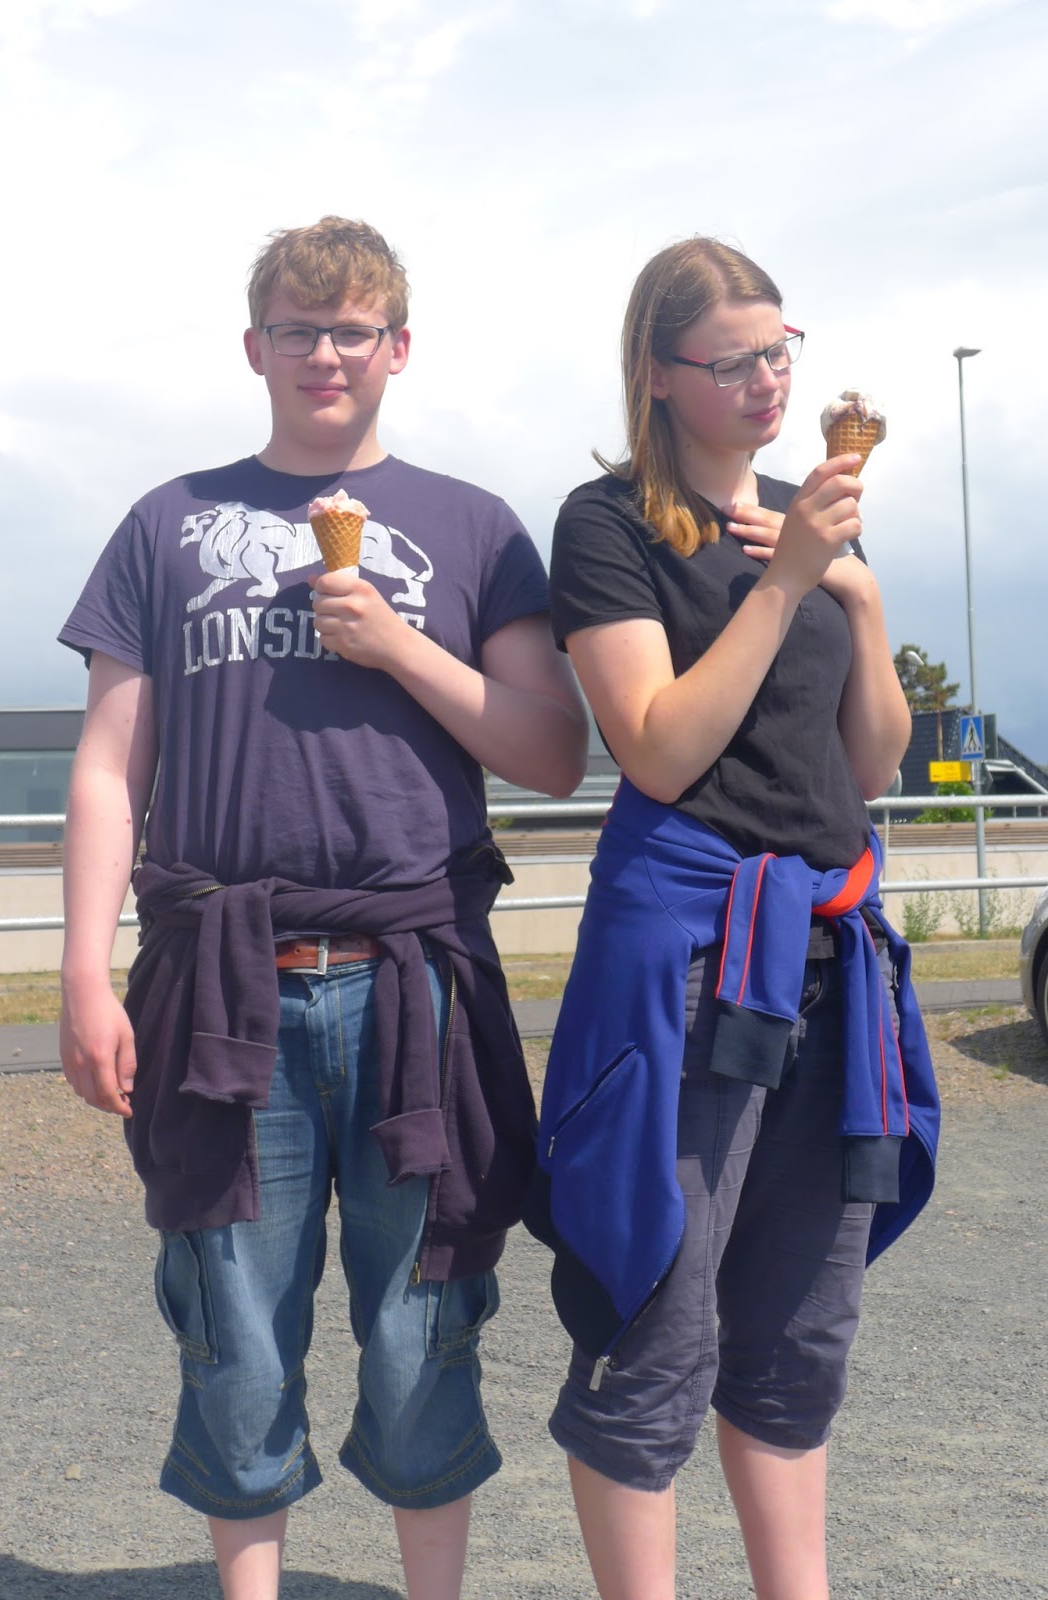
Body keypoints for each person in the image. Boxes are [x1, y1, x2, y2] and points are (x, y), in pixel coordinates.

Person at [58, 214, 587, 1600]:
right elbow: (110, 766)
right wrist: (84, 977)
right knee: (233, 1330)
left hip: (418, 979)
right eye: (299, 329)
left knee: (425, 1330)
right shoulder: (167, 524)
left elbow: (552, 750)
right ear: (256, 347)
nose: (326, 354)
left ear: (399, 347)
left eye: (354, 330)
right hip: (220, 979)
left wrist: (400, 644)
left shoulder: (475, 526)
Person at [525, 237, 940, 1600]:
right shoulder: (608, 524)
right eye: (733, 361)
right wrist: (785, 580)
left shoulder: (817, 525)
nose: (768, 381)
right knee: (655, 1314)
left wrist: (854, 594)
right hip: (693, 958)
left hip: (830, 954)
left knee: (799, 1329)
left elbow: (867, 766)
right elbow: (655, 748)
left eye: (780, 351)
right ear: (658, 374)